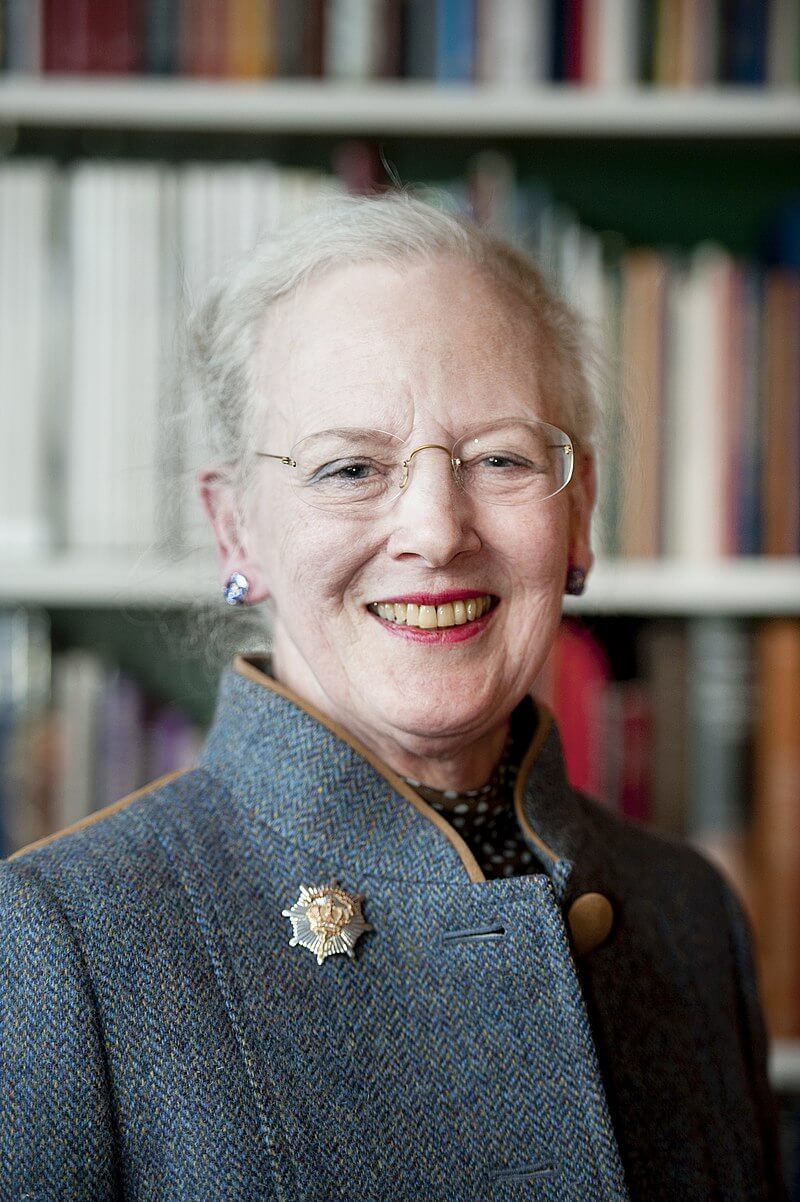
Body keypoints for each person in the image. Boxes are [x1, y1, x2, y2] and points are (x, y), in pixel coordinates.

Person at [0, 191, 786, 1201]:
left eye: (498, 457)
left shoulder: (686, 912)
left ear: (578, 512)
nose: (434, 529)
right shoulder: (63, 938)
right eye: (349, 467)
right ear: (237, 530)